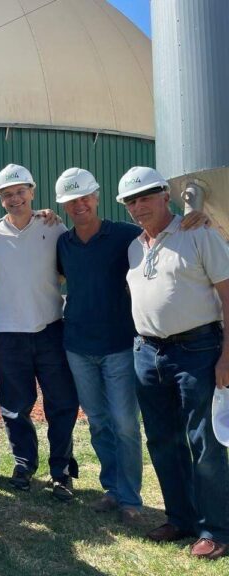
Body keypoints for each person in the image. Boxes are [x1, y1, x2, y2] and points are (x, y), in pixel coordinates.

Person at [119, 166, 229, 560]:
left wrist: (227, 355)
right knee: (163, 440)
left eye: (146, 197)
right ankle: (180, 518)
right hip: (148, 353)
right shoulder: (135, 247)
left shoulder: (198, 233)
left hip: (197, 350)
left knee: (204, 441)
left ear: (166, 195)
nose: (138, 206)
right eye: (131, 201)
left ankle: (217, 530)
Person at [0, 163, 79, 501]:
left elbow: (67, 270)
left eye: (20, 191)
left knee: (62, 403)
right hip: (8, 334)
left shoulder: (54, 226)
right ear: (0, 199)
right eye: (7, 194)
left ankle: (61, 471)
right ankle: (24, 464)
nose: (15, 198)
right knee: (14, 406)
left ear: (32, 192)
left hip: (50, 329)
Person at [54, 168, 143, 522]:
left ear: (96, 196)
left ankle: (131, 499)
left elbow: (162, 234)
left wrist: (194, 219)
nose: (79, 205)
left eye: (84, 198)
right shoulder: (64, 243)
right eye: (71, 201)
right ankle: (112, 489)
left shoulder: (125, 235)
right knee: (98, 421)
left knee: (124, 422)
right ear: (63, 207)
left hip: (119, 343)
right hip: (77, 345)